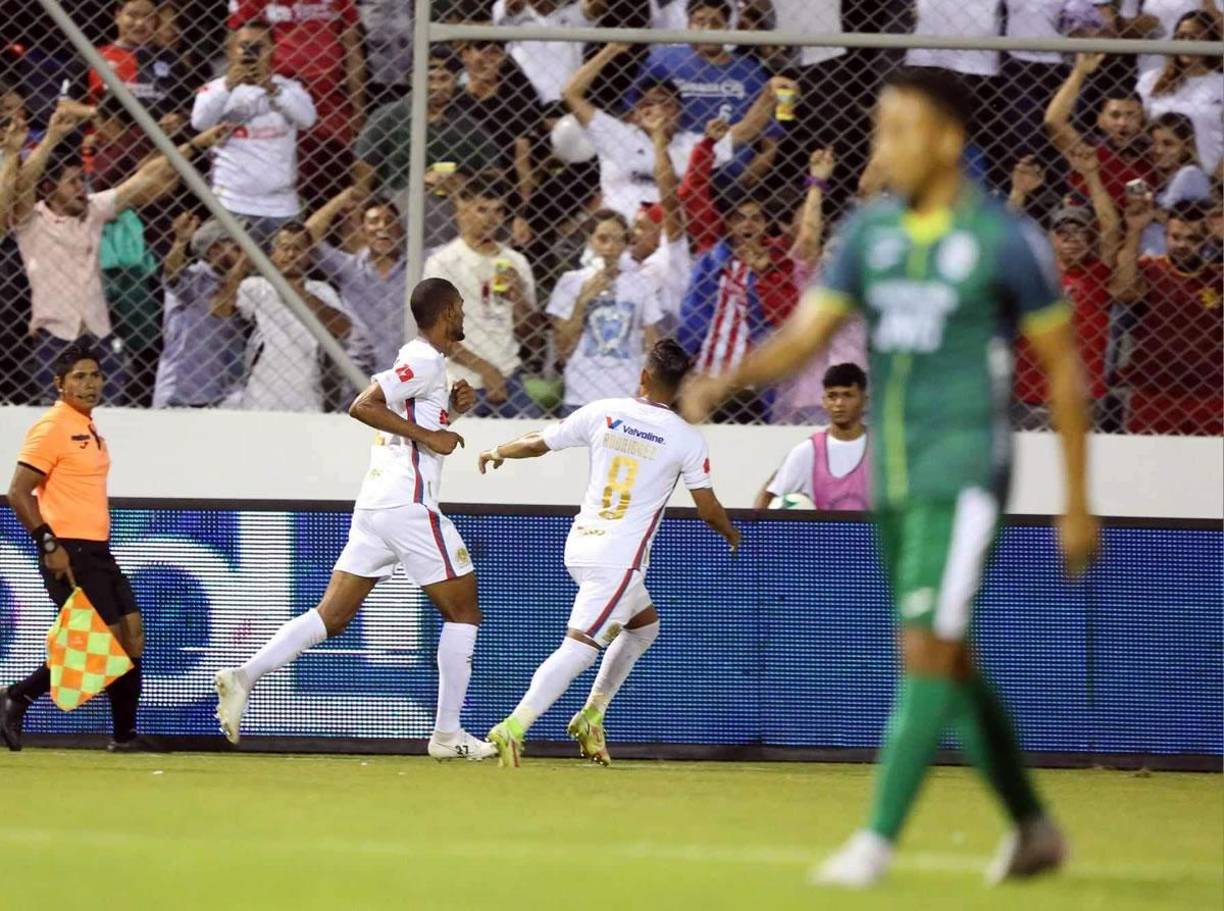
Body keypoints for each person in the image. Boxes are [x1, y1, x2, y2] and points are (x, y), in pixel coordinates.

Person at [681, 68, 1099, 887]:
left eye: (897, 130)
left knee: (925, 647)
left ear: (946, 138)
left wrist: (1079, 502)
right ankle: (1033, 826)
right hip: (898, 481)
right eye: (878, 130)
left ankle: (874, 844)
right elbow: (806, 337)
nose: (882, 148)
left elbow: (1065, 374)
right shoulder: (871, 235)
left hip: (968, 472)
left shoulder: (1005, 241)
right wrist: (722, 381)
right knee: (950, 658)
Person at [214, 278, 497, 761]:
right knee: (464, 611)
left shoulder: (428, 365)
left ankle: (243, 677)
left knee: (333, 616)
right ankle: (448, 734)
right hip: (406, 505)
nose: (465, 315)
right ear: (448, 312)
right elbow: (363, 404)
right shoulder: (424, 359)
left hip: (376, 506)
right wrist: (433, 437)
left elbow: (414, 421)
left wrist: (450, 410)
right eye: (462, 308)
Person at [477, 339, 740, 767]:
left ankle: (592, 714)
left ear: (644, 375)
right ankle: (514, 725)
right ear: (680, 387)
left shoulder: (605, 411)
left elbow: (540, 441)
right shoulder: (687, 440)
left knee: (644, 627)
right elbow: (707, 509)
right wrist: (732, 533)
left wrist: (497, 450)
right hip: (618, 560)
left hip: (582, 545)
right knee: (580, 647)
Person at [14, 100, 228, 401]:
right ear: (49, 188)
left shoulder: (93, 210)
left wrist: (198, 143)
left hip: (100, 340)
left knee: (110, 426)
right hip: (55, 342)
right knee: (59, 426)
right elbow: (23, 184)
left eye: (82, 180)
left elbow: (147, 177)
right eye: (72, 182)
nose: (81, 188)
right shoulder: (31, 221)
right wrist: (50, 138)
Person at [1, 343, 148, 751]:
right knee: (104, 638)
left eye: (95, 375)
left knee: (132, 635)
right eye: (79, 377)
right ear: (59, 384)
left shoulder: (88, 426)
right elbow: (18, 492)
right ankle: (18, 696)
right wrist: (48, 544)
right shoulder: (53, 426)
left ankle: (124, 737)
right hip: (68, 550)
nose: (89, 384)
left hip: (99, 549)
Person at [563, 42, 781, 222]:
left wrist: (770, 92)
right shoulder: (617, 134)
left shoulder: (693, 144)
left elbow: (747, 130)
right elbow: (571, 93)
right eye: (649, 104)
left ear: (679, 115)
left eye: (667, 105)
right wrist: (611, 49)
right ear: (636, 114)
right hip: (617, 234)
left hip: (671, 241)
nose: (657, 110)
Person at [1009, 144, 1121, 429]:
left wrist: (1093, 176)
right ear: (1050, 236)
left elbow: (1110, 229)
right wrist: (1019, 193)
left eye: (1081, 231)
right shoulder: (1034, 270)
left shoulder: (1096, 274)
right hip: (1030, 393)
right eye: (1063, 231)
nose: (1072, 238)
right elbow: (1004, 242)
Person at [353, 46, 500, 249]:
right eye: (430, 78)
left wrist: (461, 181)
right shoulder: (387, 117)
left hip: (451, 210)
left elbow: (493, 177)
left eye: (444, 79)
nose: (436, 87)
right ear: (413, 78)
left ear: (455, 81)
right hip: (397, 208)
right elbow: (362, 180)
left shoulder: (469, 125)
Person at [422, 171, 541, 417]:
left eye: (498, 211)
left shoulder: (516, 261)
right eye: (482, 209)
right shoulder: (442, 263)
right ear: (462, 210)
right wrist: (486, 371)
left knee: (537, 441)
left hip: (509, 375)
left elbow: (532, 337)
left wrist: (517, 296)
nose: (491, 219)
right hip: (459, 379)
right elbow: (435, 334)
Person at [227, 0, 367, 209]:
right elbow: (239, 42)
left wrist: (358, 108)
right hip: (276, 99)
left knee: (332, 173)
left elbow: (352, 48)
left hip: (328, 103)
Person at [191, 22, 318, 247]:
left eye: (259, 46)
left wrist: (271, 89)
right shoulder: (216, 88)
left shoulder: (288, 88)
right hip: (231, 203)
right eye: (244, 46)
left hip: (282, 205)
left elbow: (307, 119)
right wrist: (230, 84)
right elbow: (199, 122)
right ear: (230, 49)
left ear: (272, 50)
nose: (251, 53)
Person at [211, 221, 351, 412]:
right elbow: (219, 309)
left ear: (309, 255)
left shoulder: (320, 290)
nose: (291, 255)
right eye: (285, 248)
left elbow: (343, 328)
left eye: (298, 249)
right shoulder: (257, 286)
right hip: (260, 397)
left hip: (307, 398)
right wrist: (244, 262)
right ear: (273, 253)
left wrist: (298, 293)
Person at [1111, 198, 1223, 434]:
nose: (1182, 244)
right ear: (1165, 235)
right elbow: (1123, 291)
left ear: (1206, 240)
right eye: (1175, 237)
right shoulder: (1152, 269)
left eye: (1192, 239)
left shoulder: (1216, 277)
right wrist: (1134, 231)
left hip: (1208, 392)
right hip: (1153, 391)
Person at [548, 209, 664, 410]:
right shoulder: (571, 281)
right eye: (603, 239)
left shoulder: (641, 283)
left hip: (626, 393)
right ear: (590, 240)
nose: (611, 247)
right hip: (581, 393)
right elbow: (562, 346)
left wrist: (648, 385)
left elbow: (652, 340)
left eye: (619, 240)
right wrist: (583, 301)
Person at [306, 187, 410, 376]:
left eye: (389, 221)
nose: (382, 227)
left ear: (400, 230)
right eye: (374, 221)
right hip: (359, 375)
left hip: (406, 375)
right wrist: (340, 199)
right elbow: (306, 237)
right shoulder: (349, 268)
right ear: (362, 231)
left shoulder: (419, 265)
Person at [151, 214, 249, 408]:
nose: (246, 250)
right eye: (236, 245)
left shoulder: (243, 286)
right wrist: (180, 242)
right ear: (214, 249)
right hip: (180, 393)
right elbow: (172, 275)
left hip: (221, 393)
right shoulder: (196, 277)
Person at [632, 0, 768, 132]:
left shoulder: (750, 70)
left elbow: (770, 135)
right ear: (688, 26)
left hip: (731, 148)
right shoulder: (661, 59)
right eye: (700, 22)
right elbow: (632, 112)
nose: (708, 29)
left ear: (726, 29)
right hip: (673, 147)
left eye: (716, 23)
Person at [1045, 53, 1156, 206]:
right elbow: (1053, 122)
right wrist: (1079, 72)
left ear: (1142, 120)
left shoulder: (1149, 163)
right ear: (1100, 121)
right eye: (1115, 115)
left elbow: (1135, 213)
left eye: (1131, 115)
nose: (1123, 123)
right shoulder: (1088, 151)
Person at [754, 363, 870, 511]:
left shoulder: (882, 449)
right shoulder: (808, 451)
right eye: (832, 396)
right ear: (824, 402)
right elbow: (767, 497)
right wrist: (757, 532)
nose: (839, 403)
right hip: (826, 534)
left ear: (864, 401)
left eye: (847, 395)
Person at [1135, 10, 1224, 175]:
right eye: (1181, 37)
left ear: (1210, 41)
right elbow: (1139, 127)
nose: (1186, 43)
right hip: (1157, 175)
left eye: (1194, 37)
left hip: (1210, 177)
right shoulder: (1151, 81)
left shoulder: (1220, 84)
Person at [88, 0, 189, 130]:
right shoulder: (93, 57)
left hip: (163, 142)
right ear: (117, 15)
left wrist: (178, 119)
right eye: (132, 15)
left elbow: (188, 106)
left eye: (148, 16)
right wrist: (98, 113)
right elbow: (66, 105)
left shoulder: (171, 59)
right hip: (110, 143)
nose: (140, 23)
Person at [492, 0, 607, 104]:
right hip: (526, 102)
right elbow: (512, 6)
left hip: (569, 102)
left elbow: (595, 8)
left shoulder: (575, 10)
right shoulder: (507, 8)